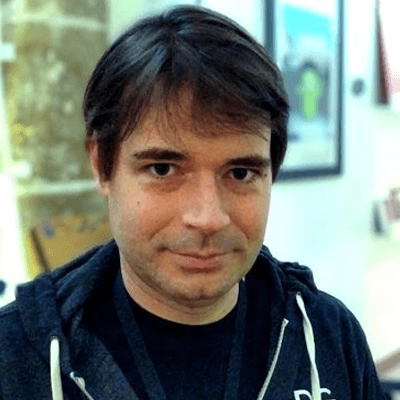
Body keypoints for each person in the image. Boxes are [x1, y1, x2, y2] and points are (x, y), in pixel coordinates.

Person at [0, 5, 385, 400]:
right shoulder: (15, 359)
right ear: (102, 166)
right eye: (163, 169)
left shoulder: (329, 336)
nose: (208, 218)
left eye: (240, 173)